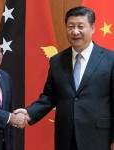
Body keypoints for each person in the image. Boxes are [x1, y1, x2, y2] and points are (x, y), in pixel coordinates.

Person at [14, 6, 114, 150]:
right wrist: (29, 113)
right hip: (66, 137)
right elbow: (49, 96)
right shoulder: (57, 61)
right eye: (70, 26)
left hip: (98, 137)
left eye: (81, 26)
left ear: (92, 28)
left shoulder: (110, 59)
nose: (75, 31)